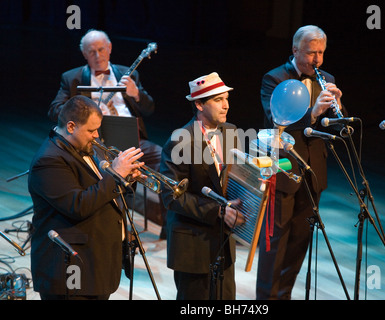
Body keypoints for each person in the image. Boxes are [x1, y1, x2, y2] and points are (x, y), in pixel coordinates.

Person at [257, 25, 347, 299]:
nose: (317, 59)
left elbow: (336, 130)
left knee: (299, 242)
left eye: (321, 52)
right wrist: (313, 112)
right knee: (275, 243)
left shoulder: (326, 78)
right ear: (295, 50)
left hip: (313, 173)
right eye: (311, 53)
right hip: (282, 171)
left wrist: (339, 111)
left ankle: (283, 295)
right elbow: (276, 119)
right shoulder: (274, 78)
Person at [48, 29, 165, 236]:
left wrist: (136, 94)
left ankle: (169, 225)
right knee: (111, 172)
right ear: (84, 54)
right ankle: (117, 229)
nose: (97, 55)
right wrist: (83, 111)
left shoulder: (129, 74)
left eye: (101, 49)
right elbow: (54, 110)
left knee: (167, 160)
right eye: (91, 51)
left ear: (109, 48)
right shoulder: (72, 78)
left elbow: (150, 109)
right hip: (97, 141)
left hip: (133, 138)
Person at [28, 95, 145, 300]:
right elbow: (78, 205)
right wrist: (116, 175)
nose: (96, 136)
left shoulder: (84, 148)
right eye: (91, 130)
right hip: (70, 271)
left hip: (94, 266)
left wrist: (126, 179)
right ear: (71, 126)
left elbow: (102, 191)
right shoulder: (49, 160)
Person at [159, 72, 244, 300]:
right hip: (193, 246)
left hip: (224, 244)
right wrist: (217, 211)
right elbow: (171, 196)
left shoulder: (231, 132)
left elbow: (235, 181)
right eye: (218, 100)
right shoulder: (180, 140)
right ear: (198, 104)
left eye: (226, 99)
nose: (225, 105)